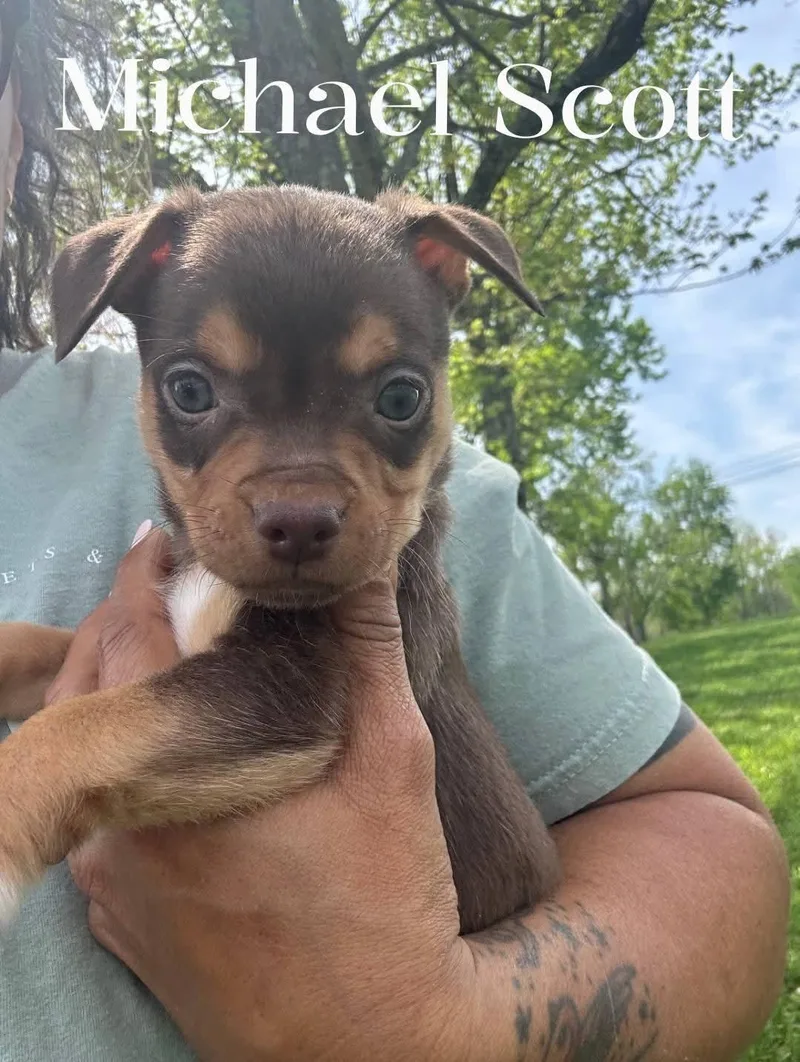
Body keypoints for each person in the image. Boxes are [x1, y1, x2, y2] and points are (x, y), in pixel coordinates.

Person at [0, 5, 790, 1061]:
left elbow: (276, 710)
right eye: (197, 390)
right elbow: (142, 681)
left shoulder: (412, 555)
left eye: (392, 398)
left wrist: (425, 1025)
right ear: (133, 328)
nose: (297, 501)